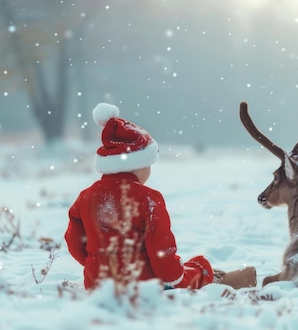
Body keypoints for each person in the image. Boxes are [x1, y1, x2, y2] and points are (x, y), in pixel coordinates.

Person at [65, 103, 215, 290]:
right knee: (196, 268)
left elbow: (74, 241)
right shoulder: (148, 199)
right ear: (139, 164)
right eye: (149, 164)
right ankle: (207, 273)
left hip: (97, 281)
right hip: (142, 282)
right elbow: (162, 251)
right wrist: (175, 277)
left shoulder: (86, 197)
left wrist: (95, 263)